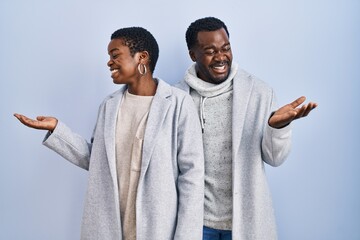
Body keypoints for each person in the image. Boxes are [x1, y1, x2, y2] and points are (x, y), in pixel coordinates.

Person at [14, 27, 204, 240]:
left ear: (142, 57)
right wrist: (57, 129)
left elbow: (192, 177)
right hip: (109, 227)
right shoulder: (109, 106)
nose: (109, 62)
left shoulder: (178, 104)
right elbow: (96, 159)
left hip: (158, 229)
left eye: (115, 55)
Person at [176, 17, 318, 240]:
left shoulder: (259, 93)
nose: (221, 57)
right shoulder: (177, 99)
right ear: (193, 55)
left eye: (226, 48)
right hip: (196, 222)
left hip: (244, 222)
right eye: (210, 51)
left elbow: (275, 158)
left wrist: (277, 128)